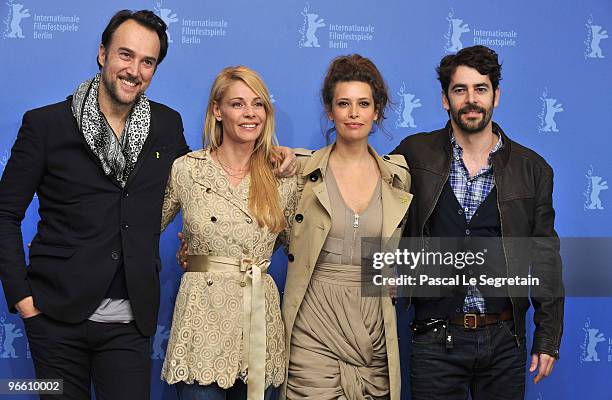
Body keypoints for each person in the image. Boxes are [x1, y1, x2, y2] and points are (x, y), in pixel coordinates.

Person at [0, 9, 189, 399]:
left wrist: (280, 157)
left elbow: (203, 181)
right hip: (53, 320)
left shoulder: (167, 126)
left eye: (147, 61)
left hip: (129, 322)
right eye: (125, 54)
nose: (134, 69)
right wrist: (23, 300)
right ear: (103, 54)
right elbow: (4, 215)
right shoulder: (46, 125)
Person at [392, 45, 564, 399]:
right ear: (445, 99)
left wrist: (547, 337)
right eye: (460, 90)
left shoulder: (533, 170)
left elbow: (545, 258)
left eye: (480, 89)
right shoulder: (414, 154)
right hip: (433, 339)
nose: (471, 100)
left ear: (496, 96)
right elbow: (362, 184)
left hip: (504, 341)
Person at [160, 66, 298, 400]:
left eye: (258, 104)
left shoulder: (283, 175)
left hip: (258, 321)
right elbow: (136, 228)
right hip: (201, 317)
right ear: (217, 111)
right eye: (238, 104)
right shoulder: (187, 169)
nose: (250, 113)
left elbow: (302, 247)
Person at [280, 54, 412, 400]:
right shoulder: (300, 173)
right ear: (330, 111)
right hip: (313, 325)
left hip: (374, 327)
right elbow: (261, 232)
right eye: (344, 103)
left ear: (377, 111)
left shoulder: (398, 178)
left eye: (363, 104)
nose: (354, 113)